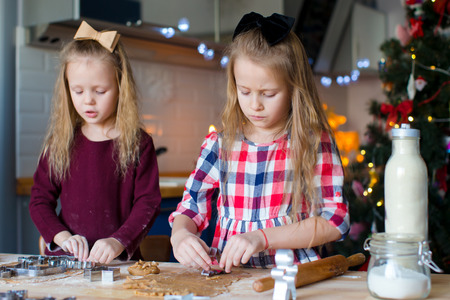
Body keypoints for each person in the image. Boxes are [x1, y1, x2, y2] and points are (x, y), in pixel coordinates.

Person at [169, 12, 349, 273]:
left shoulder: (313, 143)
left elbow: (335, 221)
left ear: (294, 89)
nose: (255, 105)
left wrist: (262, 238)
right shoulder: (220, 145)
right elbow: (190, 206)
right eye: (245, 91)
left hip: (292, 276)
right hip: (232, 275)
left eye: (268, 94)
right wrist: (180, 236)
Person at [29, 21, 161, 264]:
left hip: (118, 263)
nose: (88, 101)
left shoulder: (138, 143)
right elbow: (39, 200)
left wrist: (119, 240)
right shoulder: (62, 141)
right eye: (78, 91)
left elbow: (148, 203)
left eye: (100, 91)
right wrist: (62, 236)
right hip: (67, 263)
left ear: (121, 87)